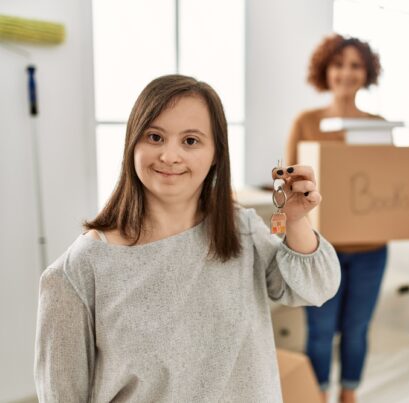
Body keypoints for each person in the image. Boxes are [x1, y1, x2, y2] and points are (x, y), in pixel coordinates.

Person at [34, 75, 341, 402]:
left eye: (191, 141)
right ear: (132, 144)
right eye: (154, 137)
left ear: (216, 155)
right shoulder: (76, 273)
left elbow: (315, 288)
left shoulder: (240, 230)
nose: (170, 155)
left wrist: (296, 221)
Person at [286, 34, 387, 403]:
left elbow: (389, 185)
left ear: (366, 72)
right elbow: (287, 185)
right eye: (339, 64)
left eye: (355, 65)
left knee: (357, 329)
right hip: (319, 249)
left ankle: (349, 394)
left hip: (371, 247)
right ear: (325, 70)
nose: (346, 73)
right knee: (320, 330)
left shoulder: (379, 126)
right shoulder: (306, 122)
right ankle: (320, 396)